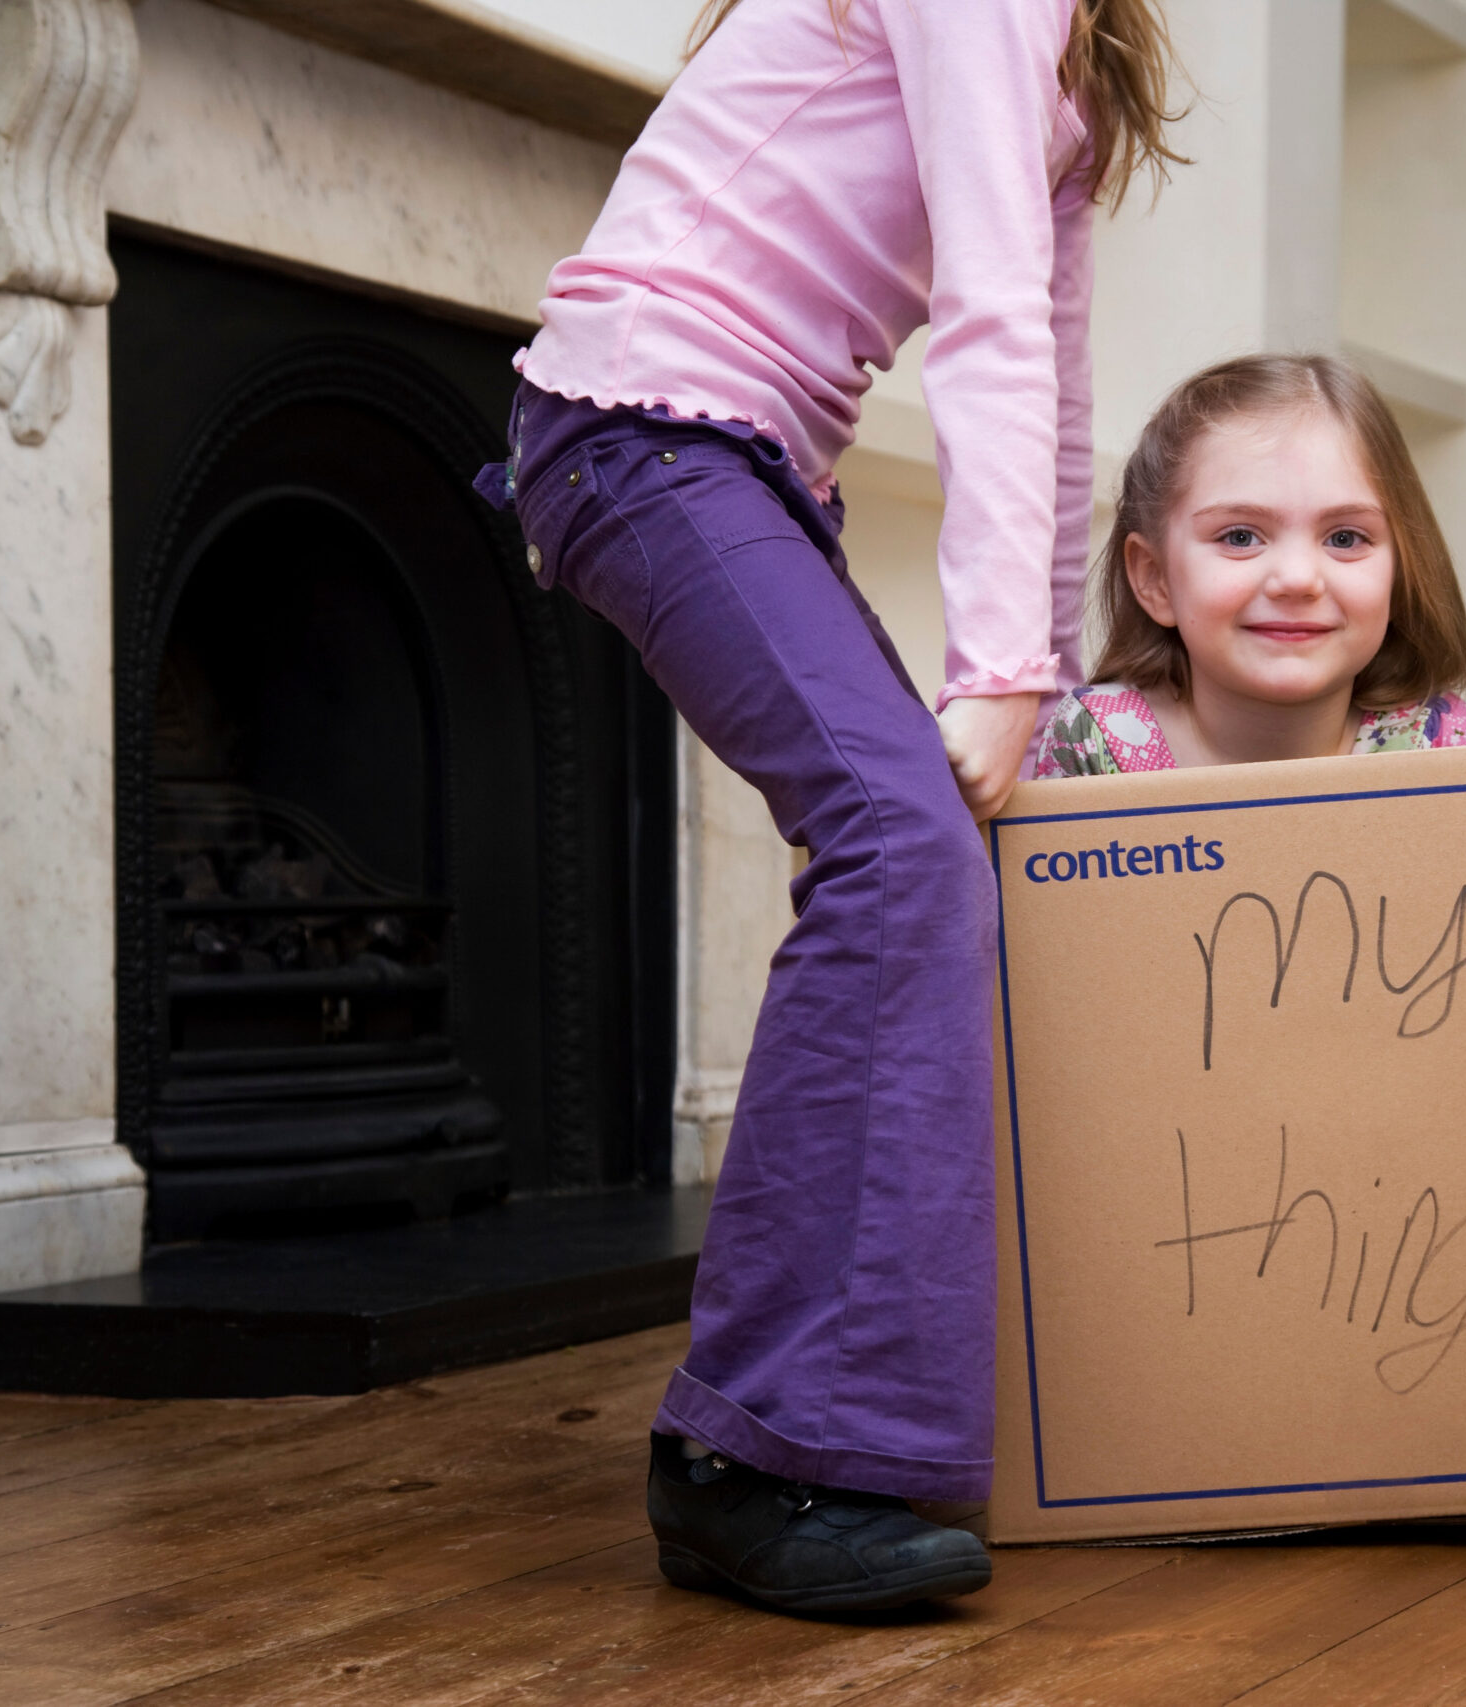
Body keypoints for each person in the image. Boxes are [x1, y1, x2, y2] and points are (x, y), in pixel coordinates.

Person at [494, 0, 1182, 1615]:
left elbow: (1059, 369)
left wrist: (1051, 686)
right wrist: (996, 658)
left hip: (731, 459)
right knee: (898, 841)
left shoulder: (1081, 59)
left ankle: (803, 1431)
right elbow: (988, 313)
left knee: (924, 850)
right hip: (638, 427)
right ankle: (754, 1450)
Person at [1035, 355, 1466, 779]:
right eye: (1240, 537)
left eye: (1344, 538)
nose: (1297, 580)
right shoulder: (1095, 741)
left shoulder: (1440, 746)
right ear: (1155, 579)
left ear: (1399, 575)